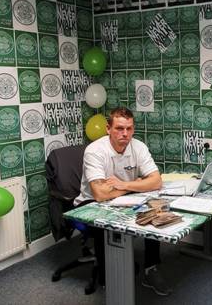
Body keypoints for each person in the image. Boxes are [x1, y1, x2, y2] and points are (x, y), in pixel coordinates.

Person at [75, 107, 171, 296]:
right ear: (108, 128)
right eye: (119, 128)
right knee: (107, 226)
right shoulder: (94, 151)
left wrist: (123, 185)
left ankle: (151, 269)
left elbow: (156, 181)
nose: (125, 134)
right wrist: (137, 184)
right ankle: (107, 275)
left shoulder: (139, 147)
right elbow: (100, 194)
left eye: (129, 128)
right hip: (90, 203)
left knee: (154, 211)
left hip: (125, 196)